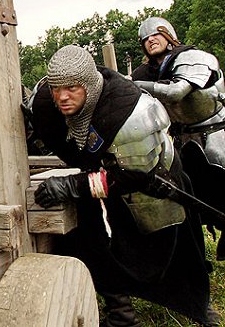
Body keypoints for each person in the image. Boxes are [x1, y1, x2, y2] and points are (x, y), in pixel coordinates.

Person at [28, 45, 220, 326]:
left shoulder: (129, 111)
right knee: (85, 236)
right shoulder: (48, 100)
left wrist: (73, 184)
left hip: (156, 183)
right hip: (106, 173)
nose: (62, 97)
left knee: (175, 250)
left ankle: (200, 304)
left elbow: (134, 174)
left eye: (71, 88)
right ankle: (121, 314)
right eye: (57, 88)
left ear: (89, 85)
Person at [132, 16, 225, 259]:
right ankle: (197, 259)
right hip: (181, 143)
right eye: (145, 39)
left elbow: (176, 92)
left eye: (155, 34)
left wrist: (131, 84)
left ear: (169, 35)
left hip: (216, 136)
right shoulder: (147, 72)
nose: (150, 40)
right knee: (189, 203)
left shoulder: (193, 58)